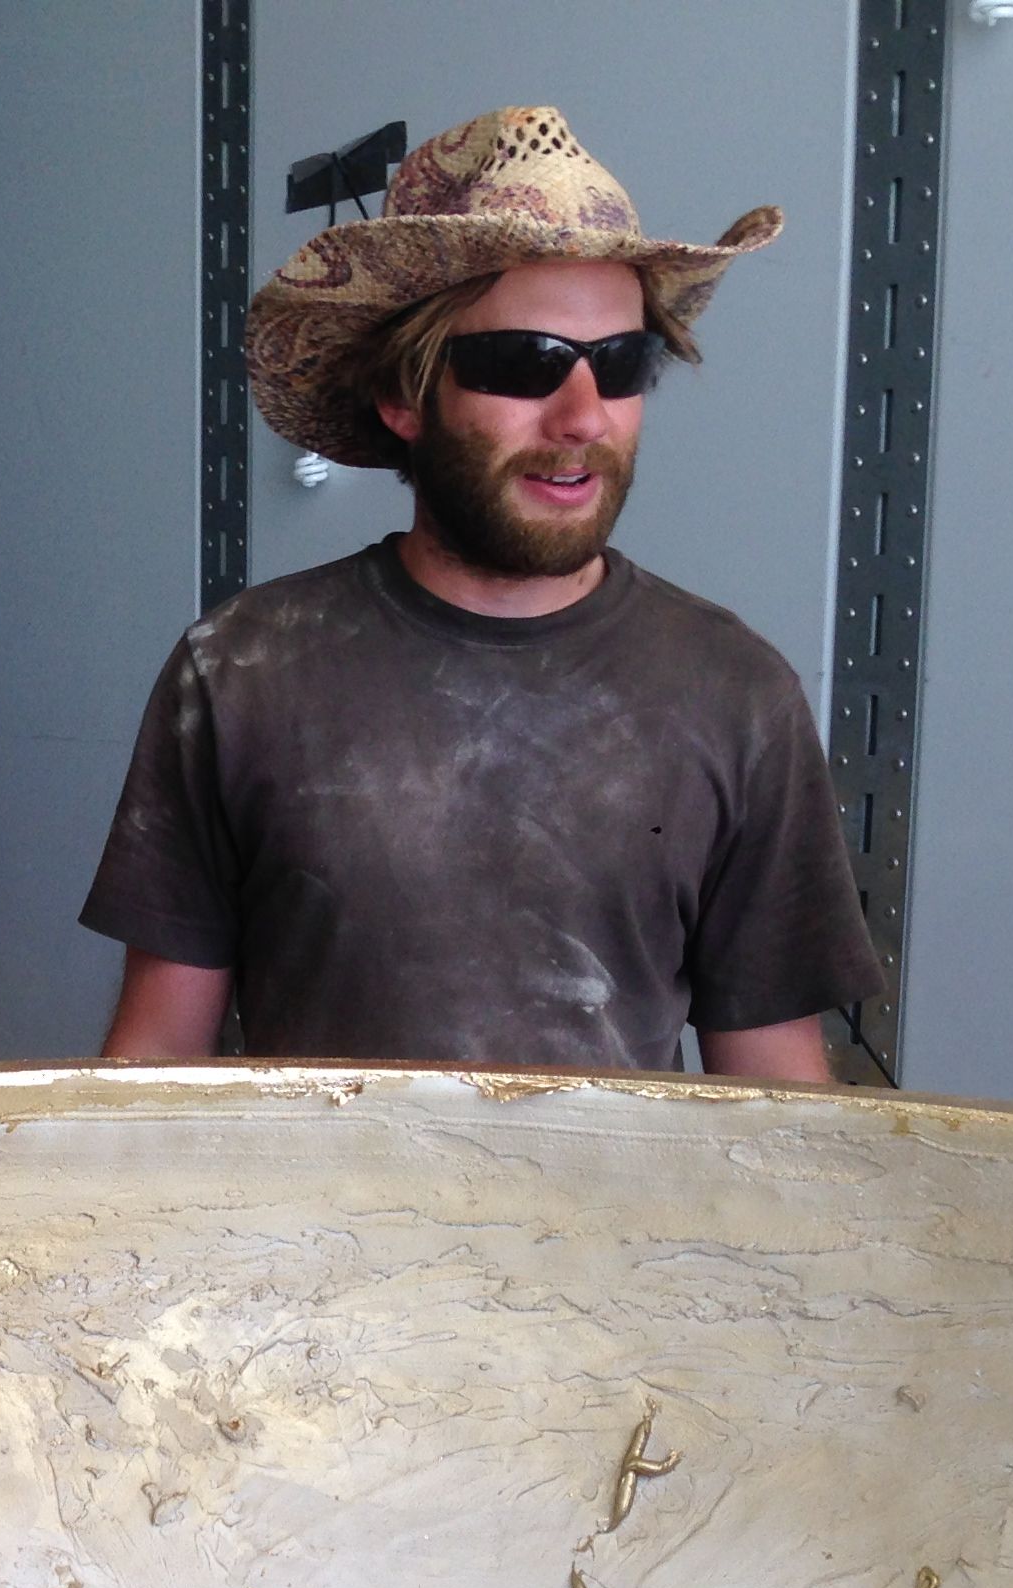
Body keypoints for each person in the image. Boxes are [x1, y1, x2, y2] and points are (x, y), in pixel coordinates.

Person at [82, 106, 882, 1079]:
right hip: (316, 1189)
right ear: (403, 395)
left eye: (621, 365)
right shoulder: (241, 672)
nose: (583, 417)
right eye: (524, 364)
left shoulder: (737, 695)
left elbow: (777, 1102)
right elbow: (157, 1062)